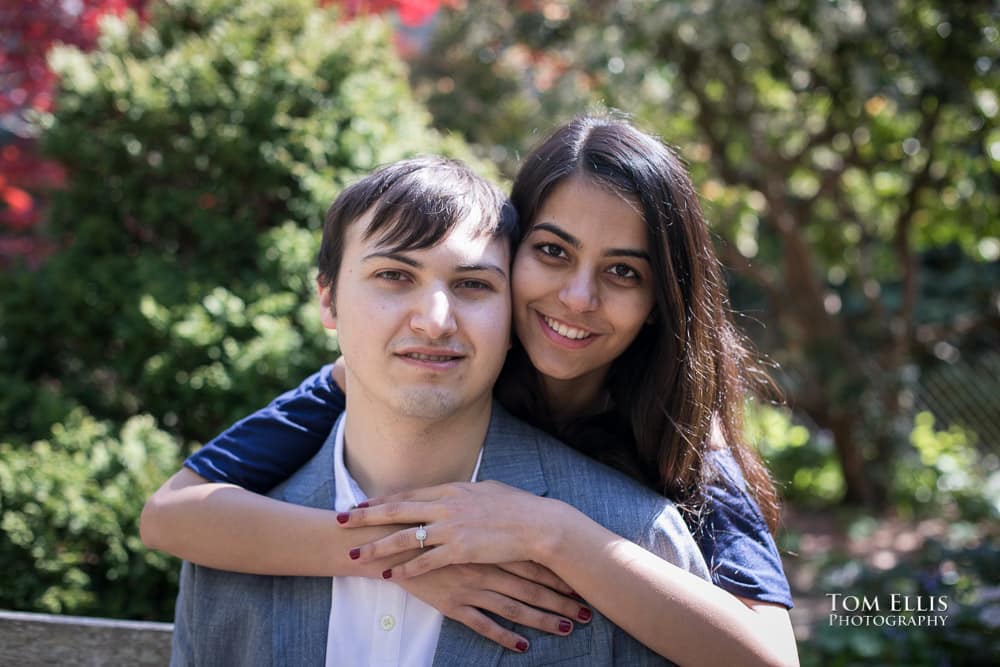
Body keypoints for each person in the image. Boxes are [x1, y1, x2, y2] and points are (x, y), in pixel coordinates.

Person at [143, 116, 799, 666]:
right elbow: (171, 514)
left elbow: (765, 654)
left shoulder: (680, 435)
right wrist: (403, 555)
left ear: (661, 300)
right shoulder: (386, 371)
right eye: (552, 251)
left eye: (624, 271)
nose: (577, 296)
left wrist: (550, 529)